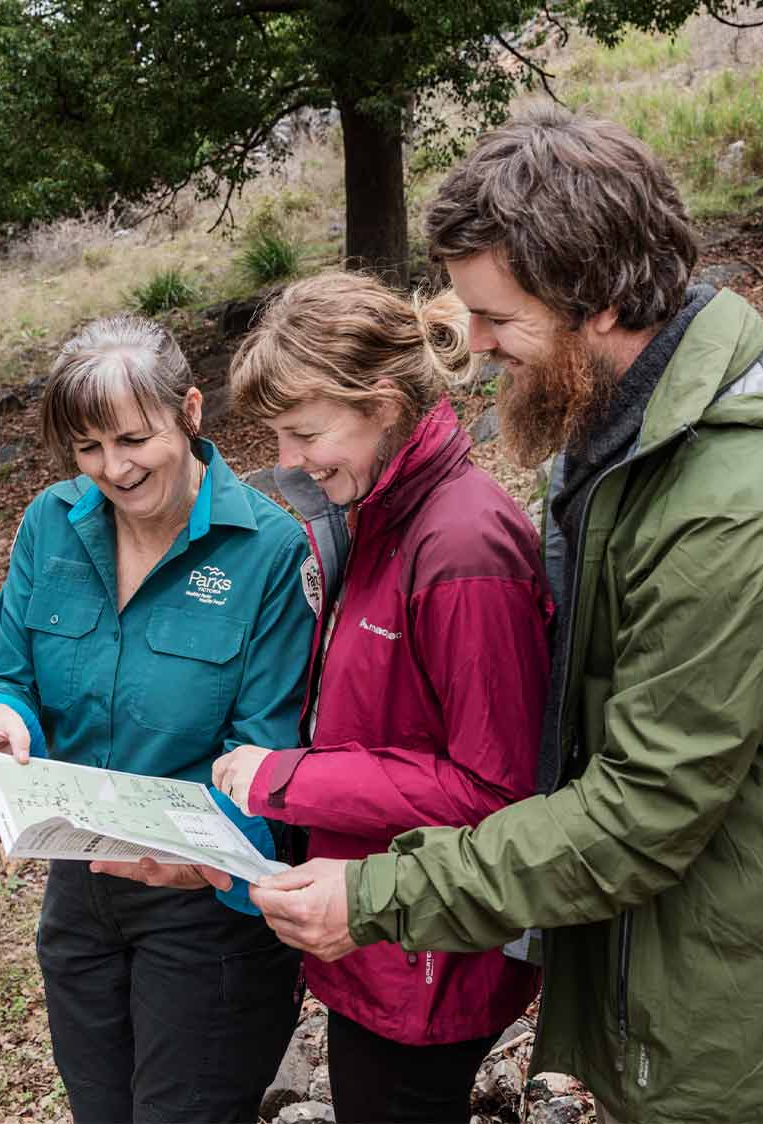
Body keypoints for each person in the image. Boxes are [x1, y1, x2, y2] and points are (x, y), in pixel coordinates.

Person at [248, 106, 763, 1124]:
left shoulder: (739, 502)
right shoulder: (631, 441)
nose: (469, 345)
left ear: (596, 298)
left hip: (743, 1031)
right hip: (672, 979)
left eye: (497, 318)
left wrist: (377, 894)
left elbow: (640, 813)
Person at [0, 315, 311, 1124]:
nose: (115, 469)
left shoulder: (272, 551)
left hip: (204, 908)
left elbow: (271, 749)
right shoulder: (50, 523)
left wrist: (200, 857)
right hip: (79, 894)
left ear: (192, 411)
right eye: (88, 449)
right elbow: (7, 672)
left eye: (134, 439)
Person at [207, 272, 549, 1124]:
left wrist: (286, 780)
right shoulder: (378, 516)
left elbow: (492, 792)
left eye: (305, 433)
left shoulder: (463, 542)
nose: (288, 462)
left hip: (429, 959)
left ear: (383, 401)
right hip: (381, 931)